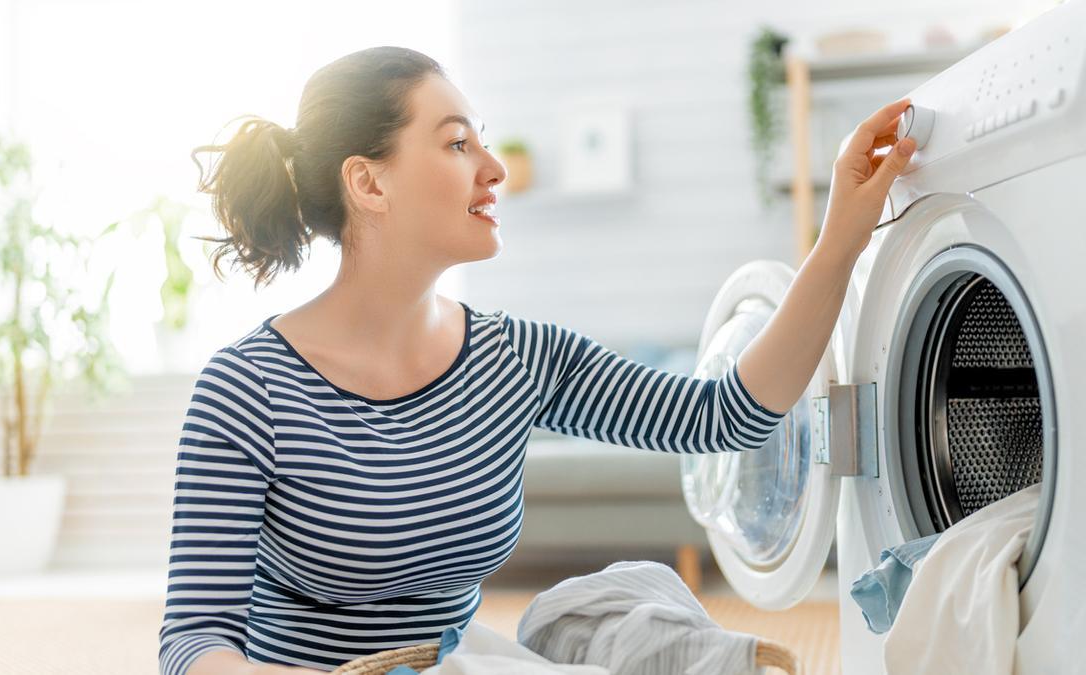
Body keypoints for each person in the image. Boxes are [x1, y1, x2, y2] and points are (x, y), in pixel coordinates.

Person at [157, 45, 916, 675]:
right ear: (368, 181)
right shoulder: (246, 389)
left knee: (636, 607)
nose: (495, 169)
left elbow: (725, 413)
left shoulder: (514, 357)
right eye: (458, 143)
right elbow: (193, 643)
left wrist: (841, 236)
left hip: (455, 664)